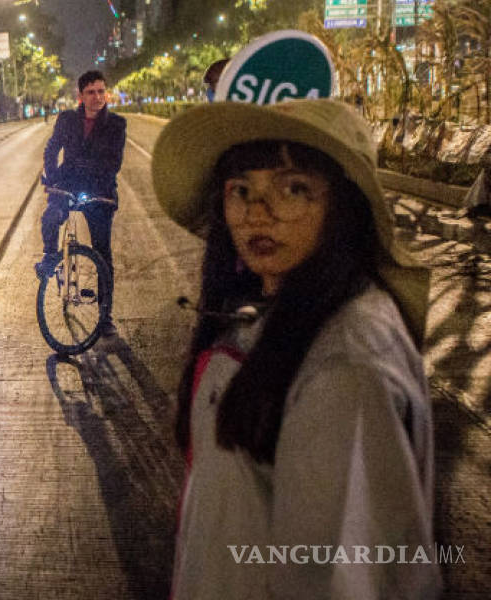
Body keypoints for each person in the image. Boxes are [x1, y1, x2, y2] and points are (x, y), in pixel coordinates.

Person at [150, 98, 439, 599]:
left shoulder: (346, 369)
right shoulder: (265, 311)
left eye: (293, 188)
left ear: (342, 207)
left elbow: (339, 578)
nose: (257, 213)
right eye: (242, 190)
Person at [38, 69, 126, 334]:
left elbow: (114, 162)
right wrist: (53, 178)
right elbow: (51, 149)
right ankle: (50, 258)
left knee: (102, 251)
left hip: (100, 190)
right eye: (91, 92)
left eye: (101, 91)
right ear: (80, 96)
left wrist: (91, 176)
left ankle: (105, 313)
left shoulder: (117, 124)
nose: (97, 97)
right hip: (68, 183)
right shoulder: (66, 120)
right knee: (51, 217)